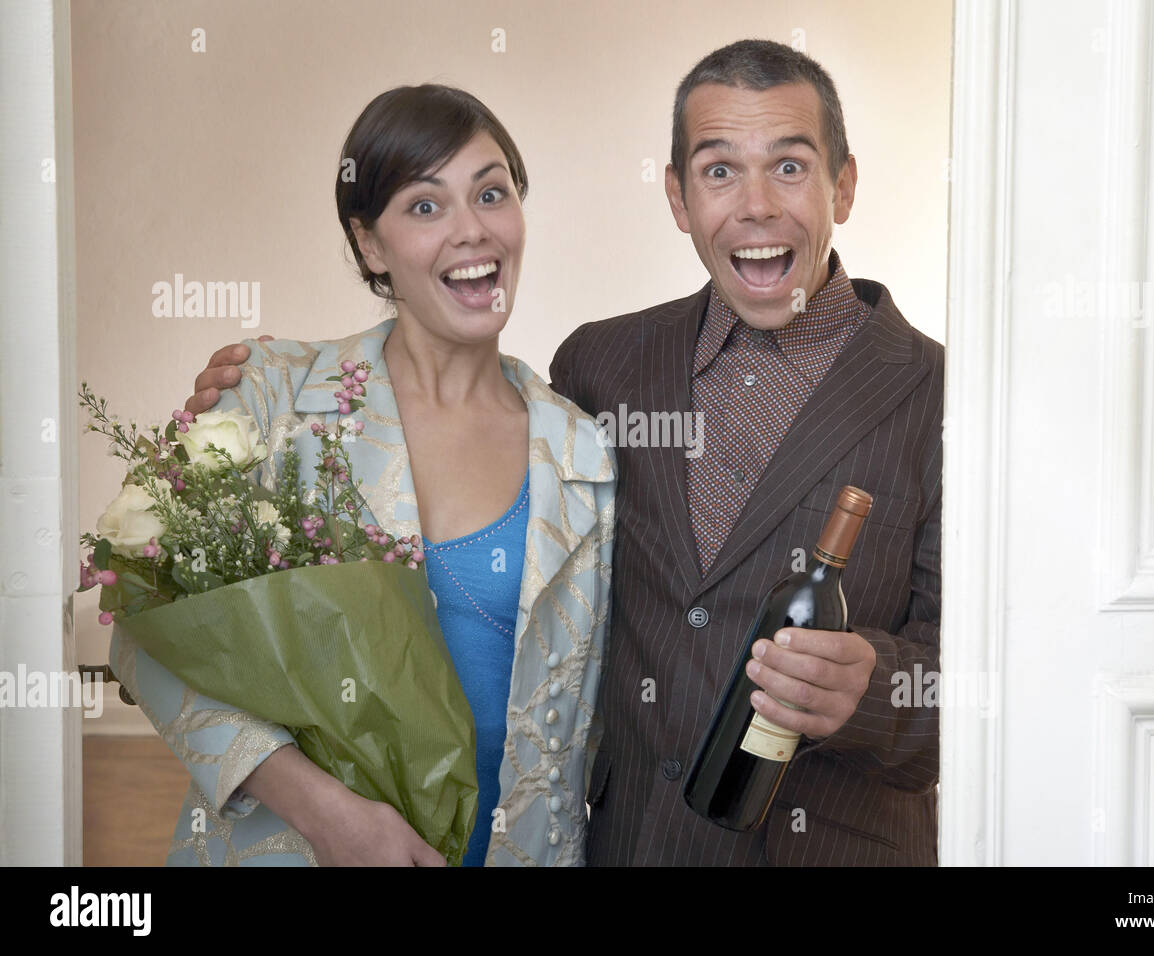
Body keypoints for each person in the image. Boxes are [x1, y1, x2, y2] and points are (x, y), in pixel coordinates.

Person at [189, 40, 942, 866]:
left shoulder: (949, 397)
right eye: (720, 171)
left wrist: (873, 693)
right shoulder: (602, 372)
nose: (755, 205)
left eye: (790, 167)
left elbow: (1001, 686)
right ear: (679, 198)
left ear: (845, 184)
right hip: (626, 845)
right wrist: (244, 405)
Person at [111, 84, 616, 867]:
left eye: (491, 192)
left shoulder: (582, 451)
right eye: (425, 206)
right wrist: (326, 812)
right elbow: (142, 630)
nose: (472, 229)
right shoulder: (271, 394)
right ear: (370, 245)